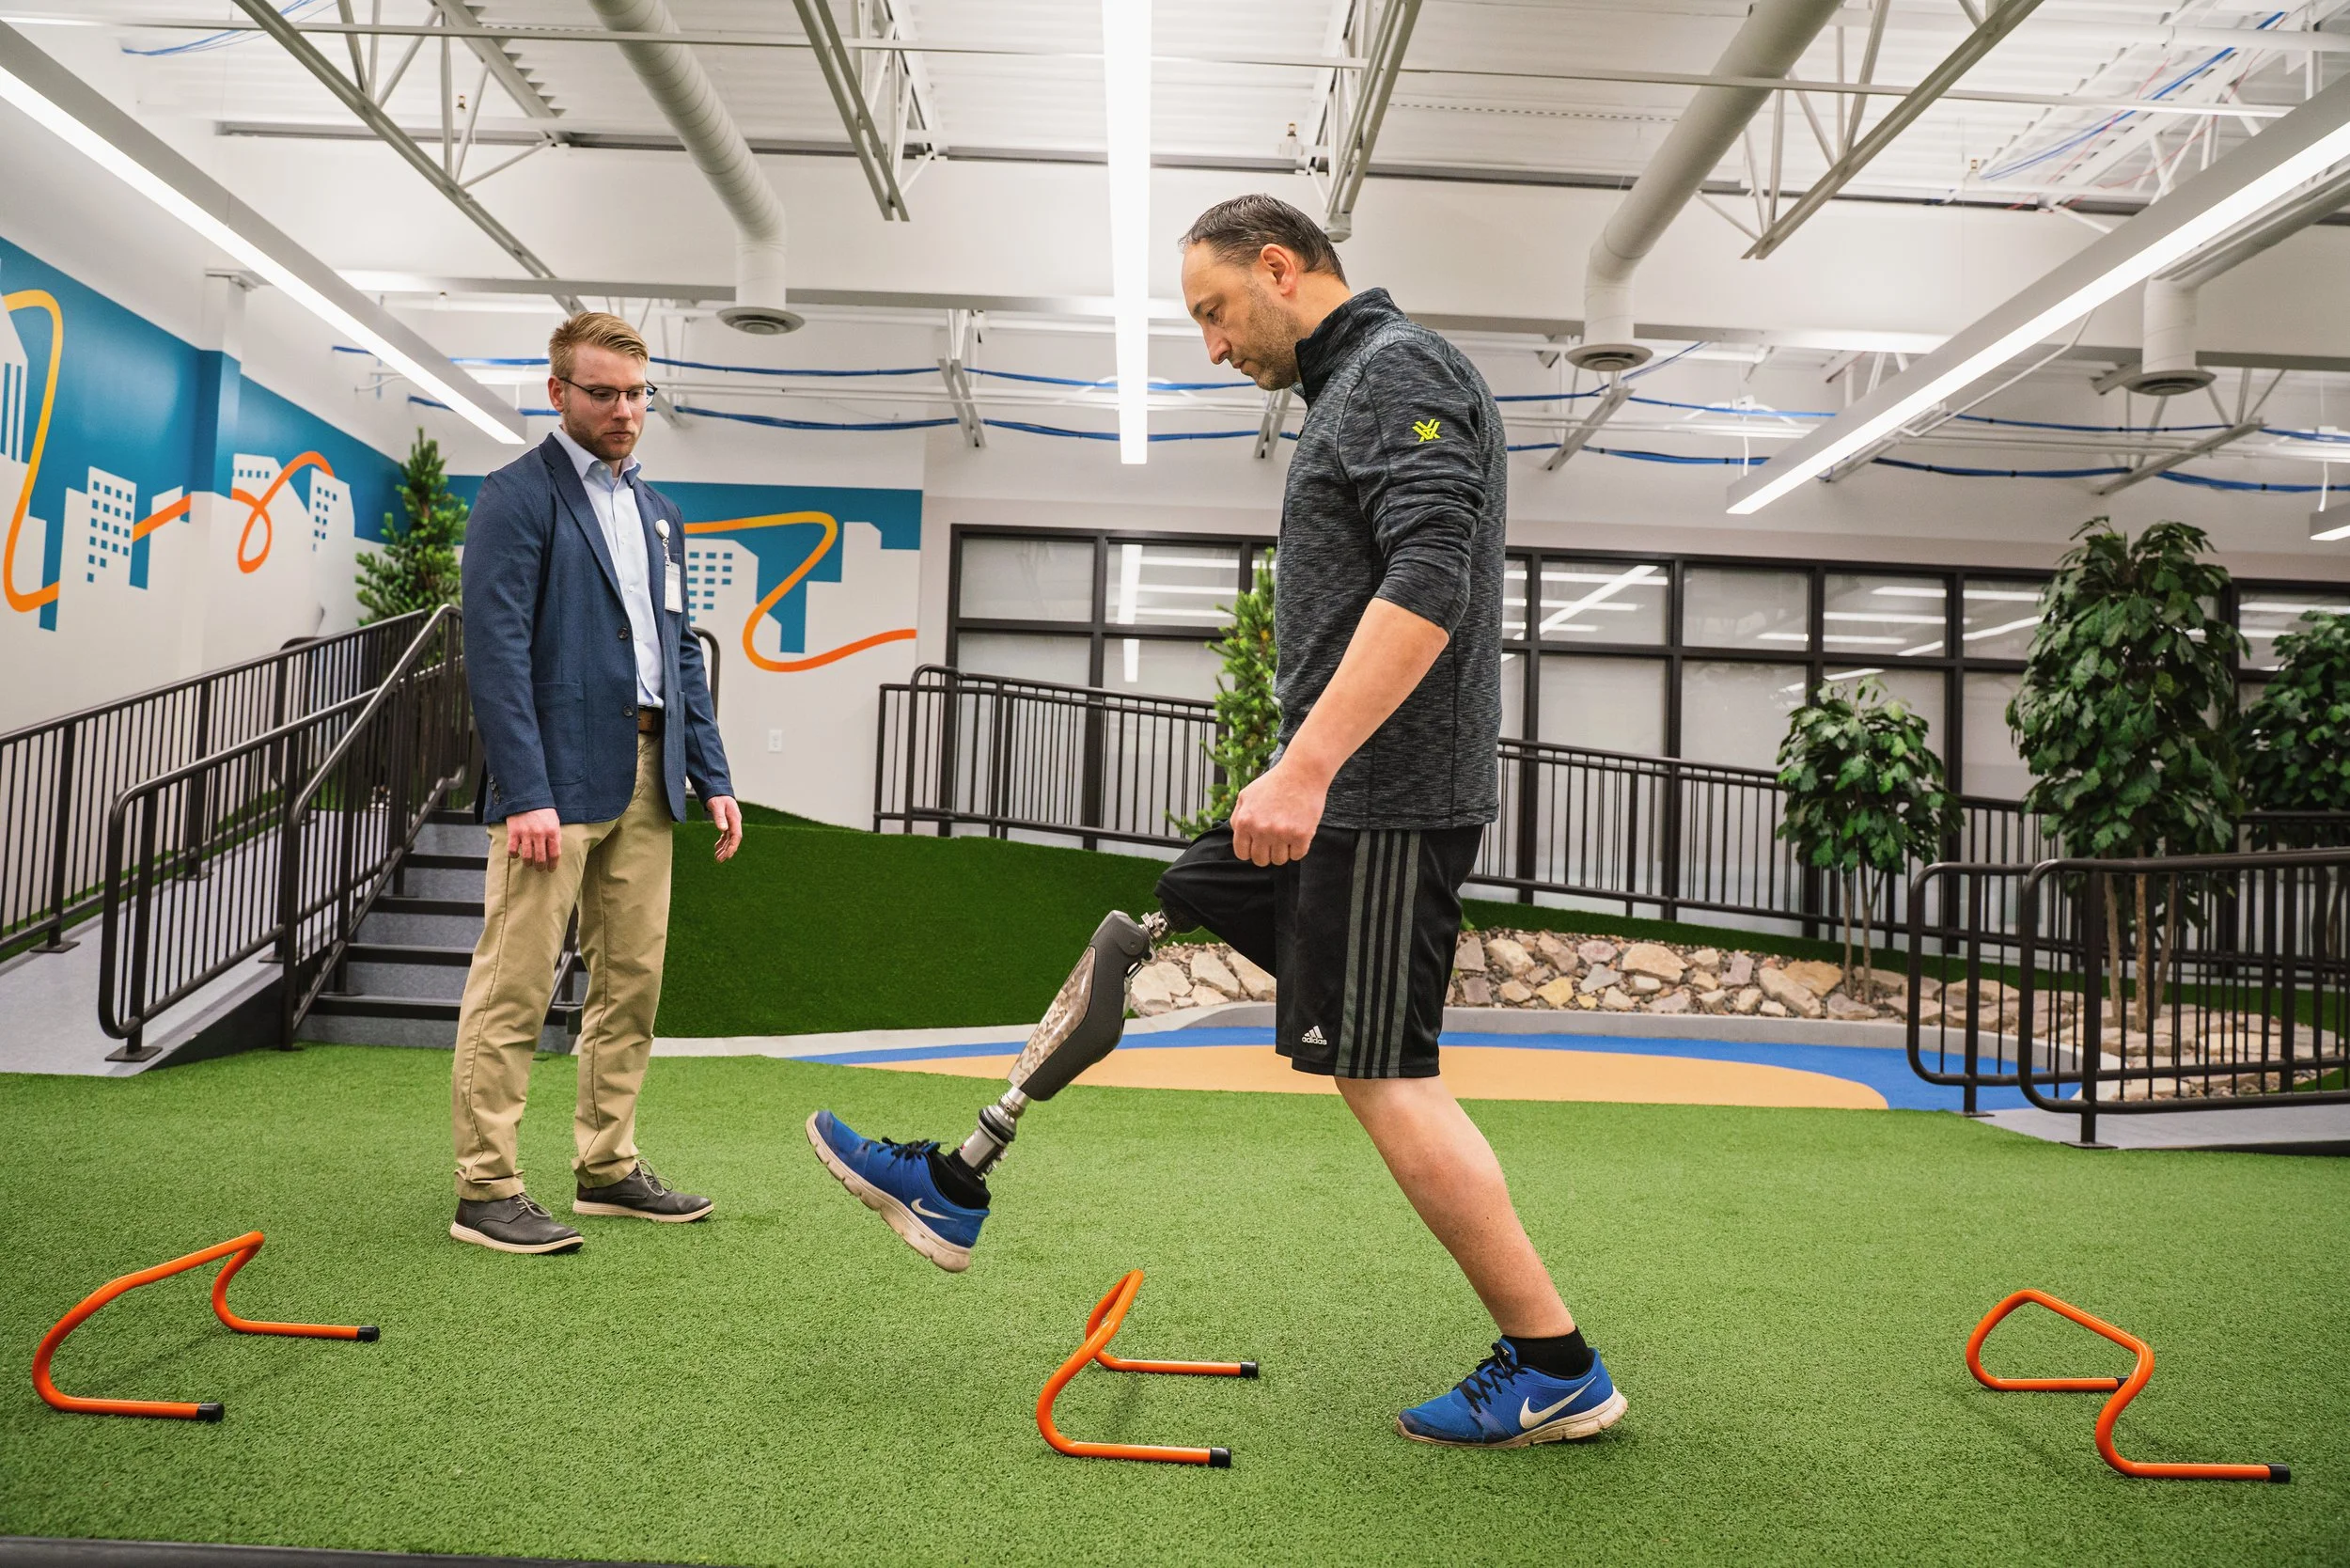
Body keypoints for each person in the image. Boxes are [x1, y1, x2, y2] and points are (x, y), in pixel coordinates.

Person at [808, 196, 1624, 1449]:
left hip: (1380, 805)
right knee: (1136, 933)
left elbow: (1431, 580)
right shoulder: (1346, 393)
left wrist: (1306, 769)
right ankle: (960, 1180)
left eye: (1215, 311)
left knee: (1386, 1082)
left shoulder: (1406, 373)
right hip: (1332, 798)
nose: (1211, 343)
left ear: (1283, 272)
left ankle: (1557, 1359)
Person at [450, 310, 742, 1256]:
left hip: (651, 777)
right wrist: (524, 789)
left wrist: (713, 769)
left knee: (632, 986)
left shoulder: (659, 516)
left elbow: (677, 654)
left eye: (635, 394)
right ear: (559, 393)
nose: (624, 411)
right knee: (516, 986)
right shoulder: (516, 496)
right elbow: (493, 653)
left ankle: (607, 1167)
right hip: (556, 781)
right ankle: (487, 1188)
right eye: (603, 393)